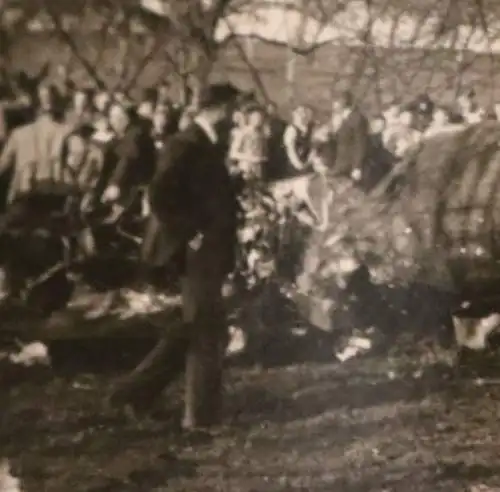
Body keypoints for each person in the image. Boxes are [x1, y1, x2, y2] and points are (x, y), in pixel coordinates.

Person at [109, 82, 241, 430]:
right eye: (232, 109)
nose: (236, 116)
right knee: (204, 332)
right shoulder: (184, 144)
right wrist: (193, 233)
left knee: (193, 328)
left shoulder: (207, 144)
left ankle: (135, 392)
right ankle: (201, 418)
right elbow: (160, 195)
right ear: (217, 109)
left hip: (208, 250)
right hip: (195, 252)